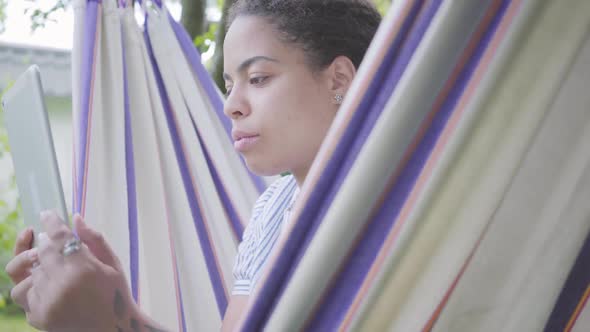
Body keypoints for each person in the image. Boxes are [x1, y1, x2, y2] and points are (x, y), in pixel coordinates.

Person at [5, 0, 381, 331]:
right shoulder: (272, 211)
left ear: (339, 79)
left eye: (258, 78)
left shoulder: (392, 201)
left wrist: (112, 320)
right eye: (229, 84)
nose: (231, 105)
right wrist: (112, 310)